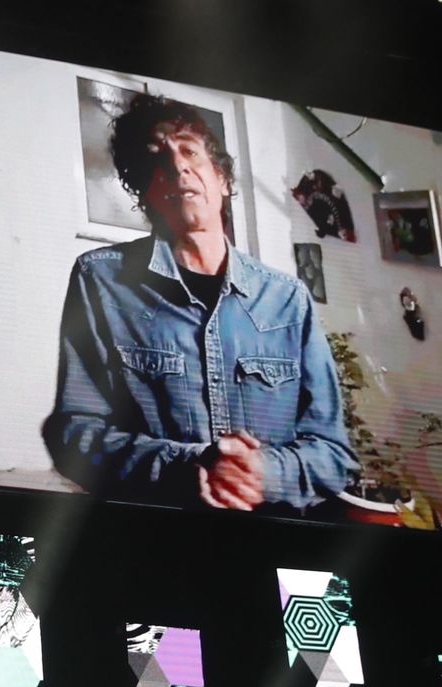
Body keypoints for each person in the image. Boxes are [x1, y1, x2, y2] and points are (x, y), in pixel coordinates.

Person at [44, 93, 356, 511]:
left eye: (190, 151)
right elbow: (74, 435)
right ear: (143, 191)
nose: (178, 167)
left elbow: (334, 455)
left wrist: (263, 471)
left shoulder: (287, 299)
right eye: (157, 160)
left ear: (223, 181)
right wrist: (186, 466)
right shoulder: (101, 280)